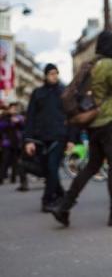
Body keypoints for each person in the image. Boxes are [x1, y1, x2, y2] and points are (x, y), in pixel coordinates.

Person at [50, 31, 112, 227]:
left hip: (93, 123)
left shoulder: (91, 64)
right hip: (110, 122)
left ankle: (64, 206)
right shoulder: (109, 65)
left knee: (92, 166)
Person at [23, 64, 71, 212]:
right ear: (45, 75)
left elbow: (71, 116)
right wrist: (29, 140)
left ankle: (47, 200)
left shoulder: (64, 92)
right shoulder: (38, 93)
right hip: (41, 138)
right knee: (47, 170)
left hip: (59, 136)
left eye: (56, 73)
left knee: (52, 167)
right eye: (51, 73)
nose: (54, 76)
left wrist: (72, 139)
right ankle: (62, 195)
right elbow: (30, 117)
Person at [0, 102, 28, 190]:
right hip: (7, 142)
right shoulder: (4, 117)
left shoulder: (18, 117)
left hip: (16, 143)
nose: (14, 110)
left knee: (15, 161)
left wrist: (19, 122)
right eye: (12, 108)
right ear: (9, 109)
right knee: (4, 161)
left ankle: (13, 178)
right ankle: (1, 178)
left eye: (15, 108)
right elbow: (1, 126)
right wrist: (9, 122)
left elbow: (23, 127)